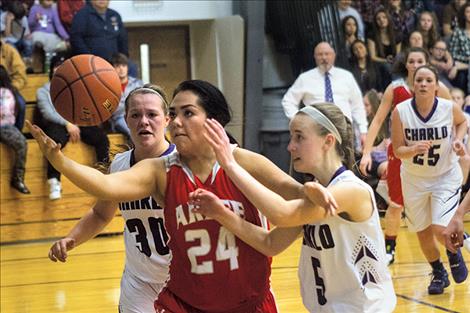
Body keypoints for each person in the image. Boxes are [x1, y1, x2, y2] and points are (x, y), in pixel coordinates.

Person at [28, 79, 305, 312]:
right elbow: (104, 190)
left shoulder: (240, 161)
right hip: (177, 293)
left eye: (187, 113)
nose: (174, 122)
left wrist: (336, 192)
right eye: (174, 114)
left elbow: (297, 203)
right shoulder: (159, 171)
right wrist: (60, 162)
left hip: (245, 296)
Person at [189, 102, 396, 312]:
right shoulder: (317, 195)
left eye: (299, 136)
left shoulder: (351, 190)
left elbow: (282, 214)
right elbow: (270, 243)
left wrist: (231, 166)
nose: (290, 146)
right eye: (291, 137)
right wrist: (220, 213)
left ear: (328, 141)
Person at [48, 84, 174, 313]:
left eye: (152, 114)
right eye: (135, 115)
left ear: (167, 120)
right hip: (139, 282)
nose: (143, 121)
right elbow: (100, 213)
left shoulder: (184, 163)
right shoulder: (120, 164)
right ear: (126, 120)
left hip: (183, 279)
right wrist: (72, 238)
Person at [359, 47, 452, 265]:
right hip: (401, 154)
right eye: (412, 61)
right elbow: (378, 120)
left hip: (432, 155)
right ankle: (389, 249)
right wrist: (366, 152)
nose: (416, 64)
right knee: (396, 204)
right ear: (406, 64)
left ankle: (451, 247)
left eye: (421, 60)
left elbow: (456, 116)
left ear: (428, 62)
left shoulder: (438, 88)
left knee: (435, 207)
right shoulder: (396, 88)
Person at [390, 64, 468, 294]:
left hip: (445, 176)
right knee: (422, 231)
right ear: (413, 85)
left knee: (439, 226)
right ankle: (438, 273)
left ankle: (453, 253)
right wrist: (412, 149)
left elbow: (462, 122)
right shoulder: (401, 111)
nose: (423, 84)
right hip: (414, 179)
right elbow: (397, 150)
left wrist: (458, 140)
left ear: (436, 86)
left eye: (428, 80)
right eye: (419, 80)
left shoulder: (447, 107)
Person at [35, 52, 109, 200]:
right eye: (57, 66)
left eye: (62, 67)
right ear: (52, 70)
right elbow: (48, 112)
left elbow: (84, 106)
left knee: (101, 138)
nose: (59, 69)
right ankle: (54, 180)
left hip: (77, 121)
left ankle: (104, 173)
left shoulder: (76, 86)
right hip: (56, 123)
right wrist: (68, 124)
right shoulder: (43, 90)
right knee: (54, 142)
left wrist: (77, 122)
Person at [282, 41, 368, 146]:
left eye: (327, 54)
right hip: (316, 131)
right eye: (320, 54)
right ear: (315, 57)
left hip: (344, 130)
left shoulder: (346, 77)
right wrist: (299, 121)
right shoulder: (305, 78)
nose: (324, 58)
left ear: (334, 55)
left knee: (345, 161)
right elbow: (288, 101)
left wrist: (363, 131)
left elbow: (357, 105)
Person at [70, 0, 128, 69]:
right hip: (90, 64)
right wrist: (89, 59)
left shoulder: (115, 15)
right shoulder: (82, 15)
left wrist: (123, 58)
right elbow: (76, 39)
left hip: (114, 64)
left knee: (131, 67)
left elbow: (122, 39)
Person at [0, 65, 30, 194]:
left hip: (6, 126)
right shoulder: (12, 93)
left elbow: (19, 110)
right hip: (6, 126)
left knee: (22, 142)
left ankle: (18, 178)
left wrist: (17, 129)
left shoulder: (11, 93)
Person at [109, 53, 143, 138]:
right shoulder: (108, 87)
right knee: (132, 131)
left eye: (123, 66)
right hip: (120, 118)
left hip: (139, 115)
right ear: (112, 68)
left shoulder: (138, 83)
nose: (121, 69)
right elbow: (111, 109)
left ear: (127, 67)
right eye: (117, 66)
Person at [0, 39, 27, 130]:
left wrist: (10, 88)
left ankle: (17, 134)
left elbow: (21, 76)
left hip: (8, 88)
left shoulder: (10, 51)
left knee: (21, 104)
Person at [448, 2, 470, 93]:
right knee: (461, 76)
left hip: (462, 66)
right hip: (463, 65)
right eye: (468, 12)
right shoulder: (457, 32)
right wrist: (467, 58)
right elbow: (453, 53)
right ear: (464, 14)